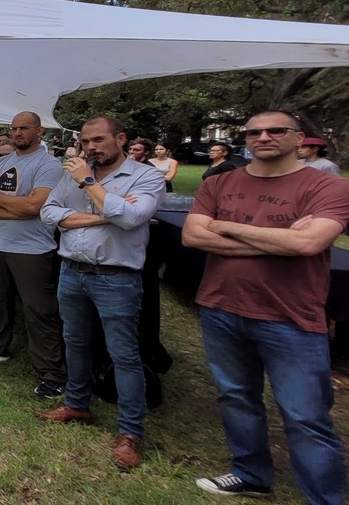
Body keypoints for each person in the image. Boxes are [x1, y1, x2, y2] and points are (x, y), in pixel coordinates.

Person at [183, 111, 349, 502]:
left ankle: (324, 498)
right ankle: (251, 473)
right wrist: (276, 240)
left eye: (276, 130)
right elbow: (192, 236)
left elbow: (307, 245)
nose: (264, 137)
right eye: (254, 132)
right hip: (220, 306)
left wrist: (224, 226)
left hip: (290, 316)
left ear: (299, 138)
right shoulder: (221, 182)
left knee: (305, 416)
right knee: (236, 396)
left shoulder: (327, 186)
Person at [37, 116, 166, 471]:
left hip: (117, 277)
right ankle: (77, 404)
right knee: (74, 342)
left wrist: (89, 184)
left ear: (120, 138)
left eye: (98, 140)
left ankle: (130, 431)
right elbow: (49, 213)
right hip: (71, 270)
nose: (91, 147)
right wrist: (105, 214)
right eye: (86, 141)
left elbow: (132, 217)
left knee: (124, 354)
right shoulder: (71, 175)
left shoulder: (146, 176)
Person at [0, 111, 67, 400]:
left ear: (40, 131)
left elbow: (34, 207)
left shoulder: (49, 165)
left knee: (39, 310)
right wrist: (6, 204)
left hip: (32, 249)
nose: (18, 132)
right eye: (14, 128)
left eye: (24, 128)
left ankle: (52, 372)